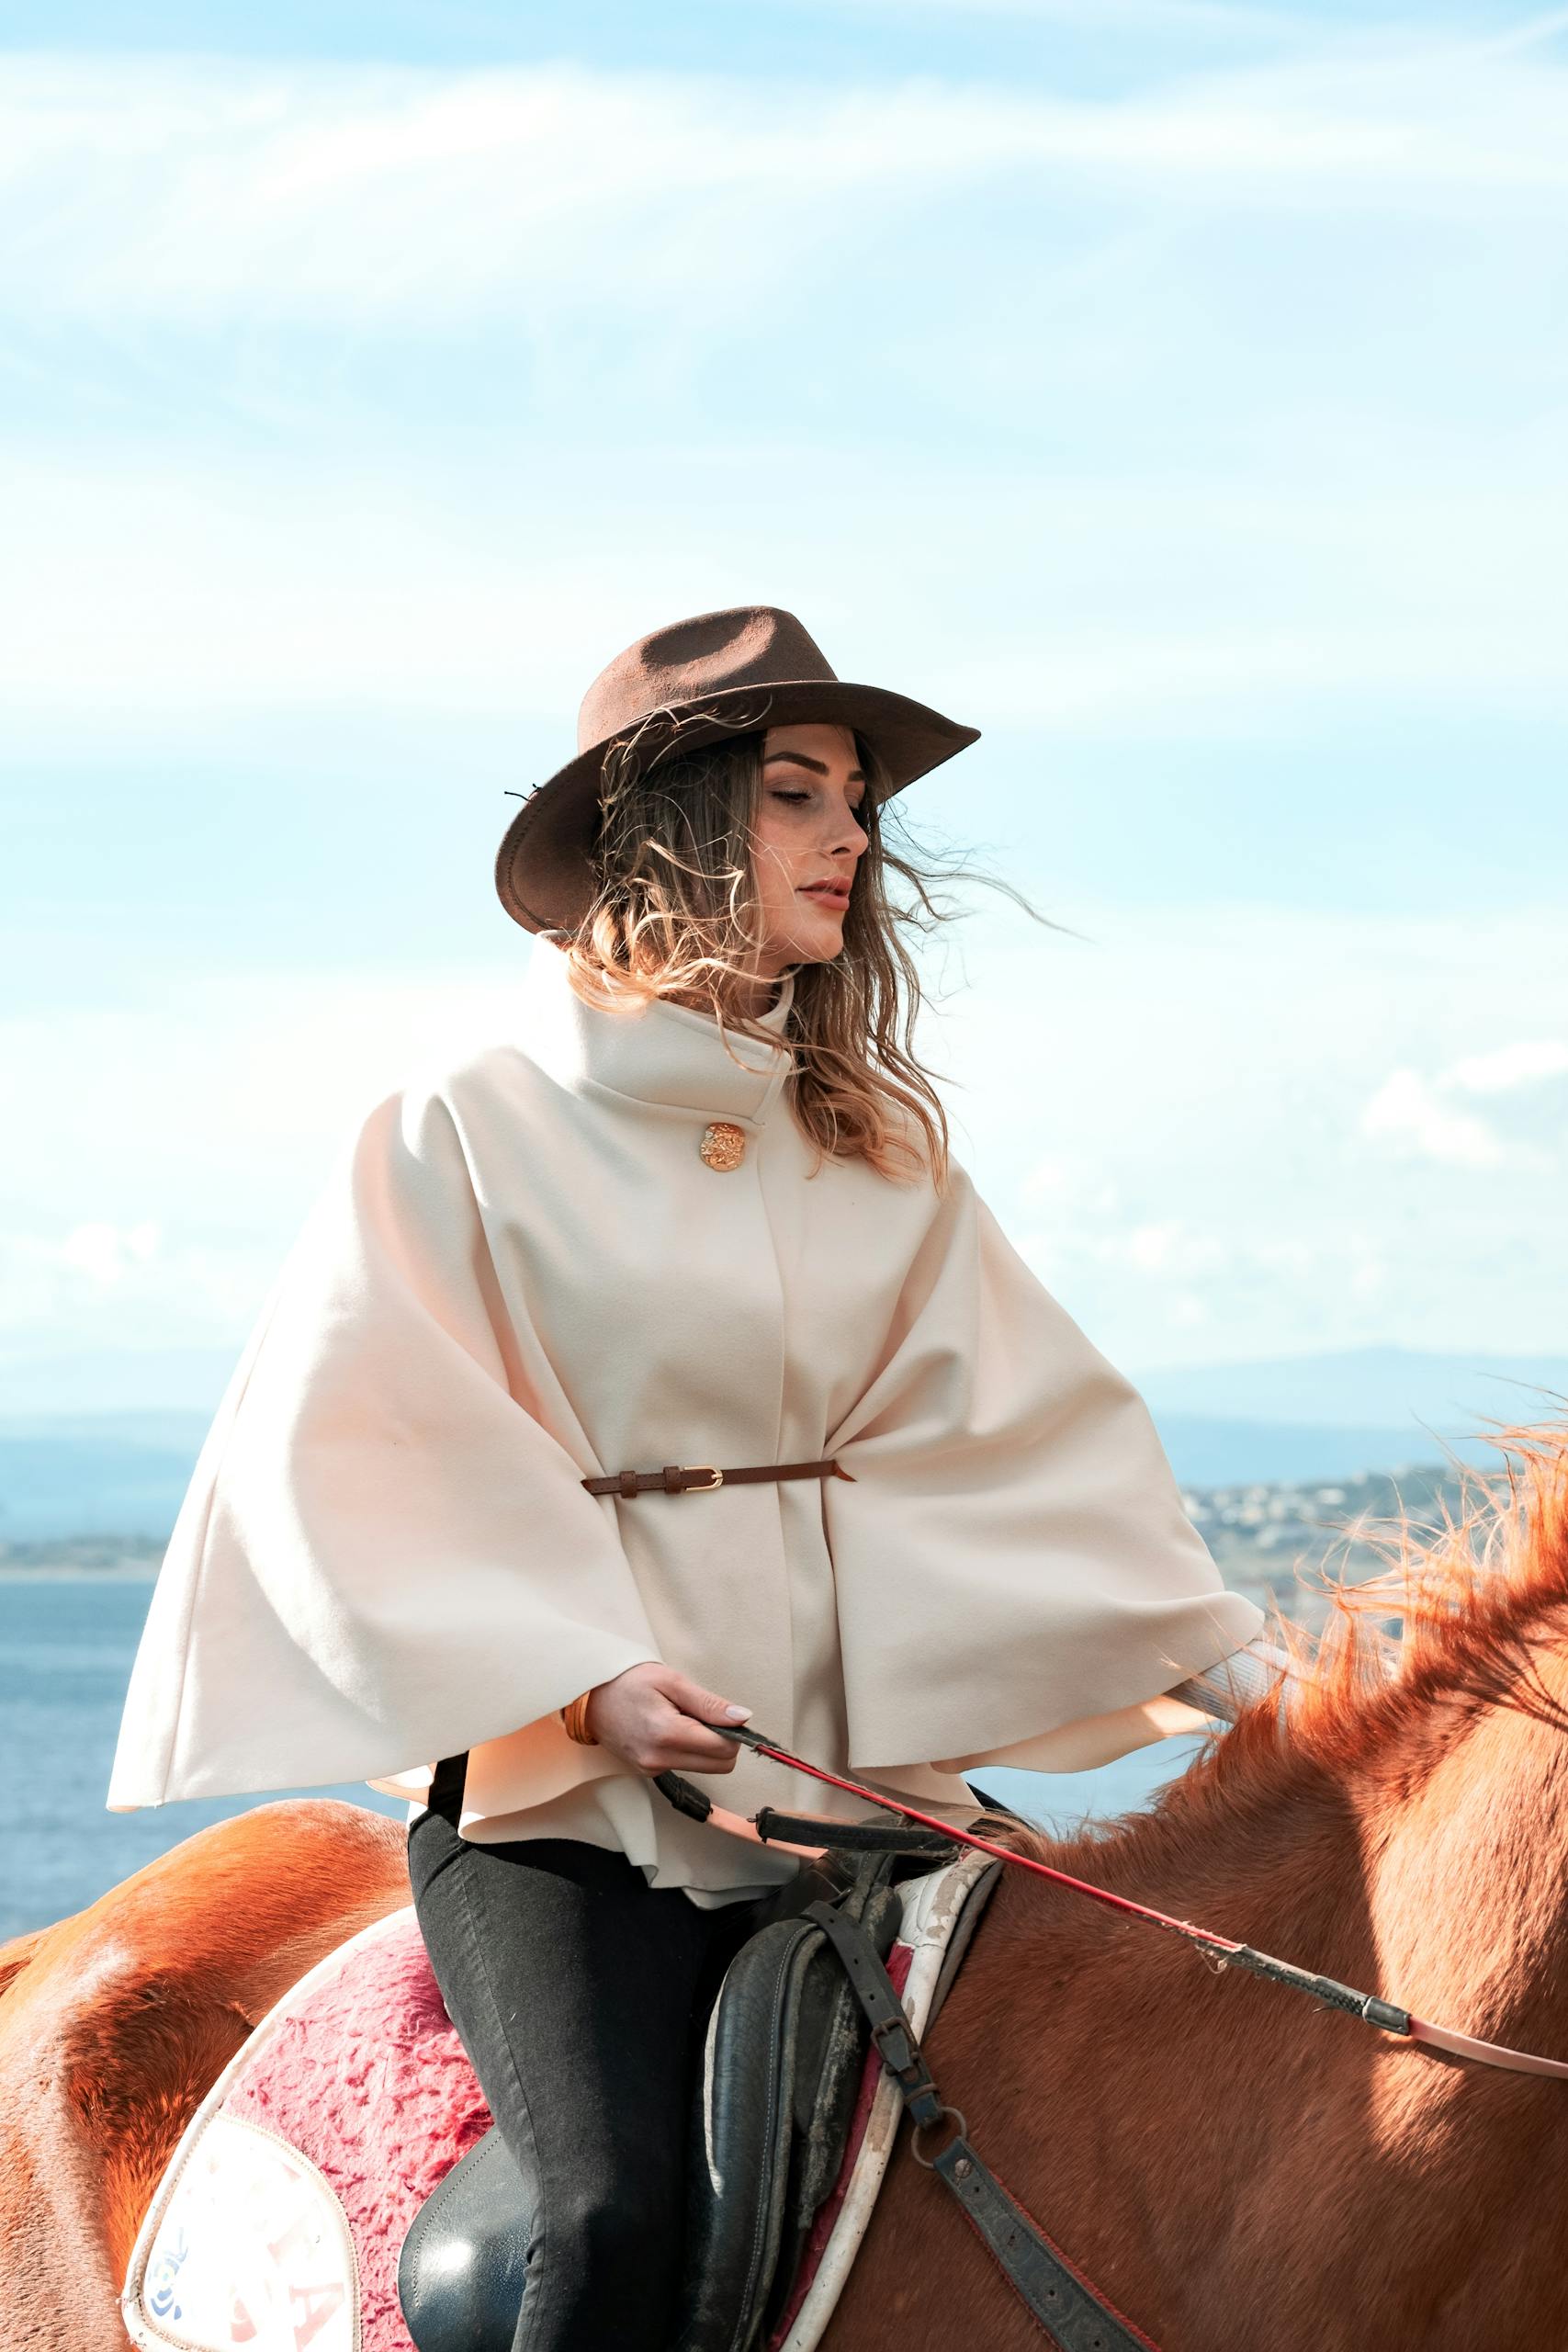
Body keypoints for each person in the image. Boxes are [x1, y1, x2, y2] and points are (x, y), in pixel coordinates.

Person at [108, 605, 1267, 2352]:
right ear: (676, 828)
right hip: (570, 1814)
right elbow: (361, 1454)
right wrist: (583, 1684)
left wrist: (1237, 1660)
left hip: (865, 1797)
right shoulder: (461, 1123)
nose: (851, 835)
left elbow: (1020, 1433)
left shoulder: (877, 1148)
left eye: (858, 801)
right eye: (800, 792)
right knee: (600, 2219)